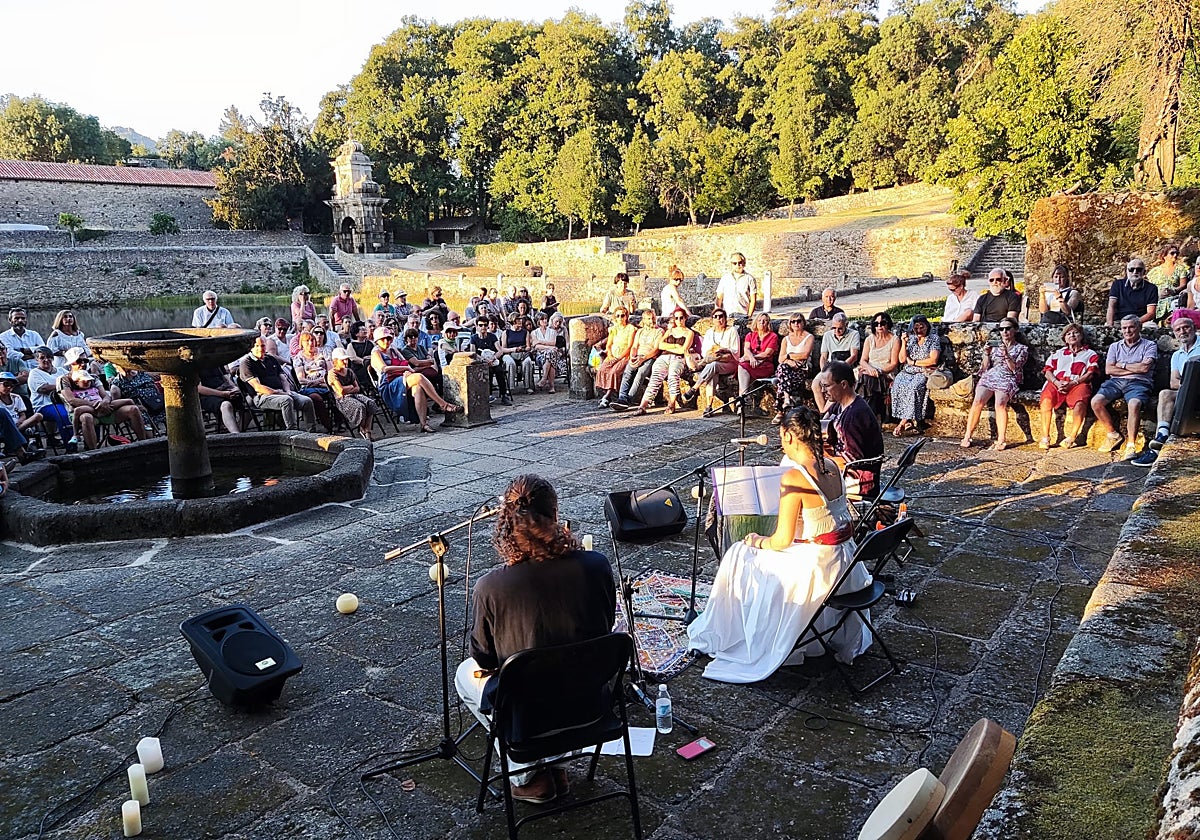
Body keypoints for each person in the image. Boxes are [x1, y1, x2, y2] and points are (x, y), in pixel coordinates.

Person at [455, 474, 616, 803]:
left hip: (530, 720)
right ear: (556, 516)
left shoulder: (491, 587)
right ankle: (556, 765)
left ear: (507, 523)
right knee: (550, 671)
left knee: (464, 675)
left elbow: (484, 660)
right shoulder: (597, 565)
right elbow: (605, 625)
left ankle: (528, 773)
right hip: (592, 707)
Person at [686, 406, 871, 683]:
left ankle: (738, 633)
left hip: (819, 569)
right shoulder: (831, 464)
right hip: (845, 559)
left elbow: (781, 540)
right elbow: (827, 518)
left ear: (787, 436)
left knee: (739, 553)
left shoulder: (794, 477)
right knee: (752, 554)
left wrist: (757, 540)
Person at [1133, 315, 1200, 466]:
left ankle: (1157, 447)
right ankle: (1161, 437)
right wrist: (1189, 385)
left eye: (1186, 327)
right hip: (1186, 393)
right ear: (1174, 334)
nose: (1182, 331)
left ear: (1194, 328)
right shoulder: (1177, 355)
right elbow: (1173, 382)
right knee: (1165, 394)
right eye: (1178, 329)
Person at [1091, 315, 1157, 459]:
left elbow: (1145, 368)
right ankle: (1113, 434)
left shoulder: (1149, 345)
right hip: (1115, 382)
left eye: (1131, 327)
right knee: (1096, 402)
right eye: (1124, 328)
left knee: (1134, 404)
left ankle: (1131, 446)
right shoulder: (1115, 346)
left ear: (1139, 328)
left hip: (1139, 382)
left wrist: (1122, 365)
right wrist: (1135, 367)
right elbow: (1109, 370)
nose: (1127, 331)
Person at [960, 318, 1030, 451]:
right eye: (1001, 329)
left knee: (1000, 404)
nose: (1004, 332)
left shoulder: (1022, 349)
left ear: (1015, 330)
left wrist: (1006, 355)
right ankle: (968, 435)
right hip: (992, 375)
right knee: (977, 401)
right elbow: (985, 367)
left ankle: (1001, 439)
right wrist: (986, 354)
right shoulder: (995, 345)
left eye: (1007, 328)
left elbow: (1014, 368)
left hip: (1008, 376)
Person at [819, 361, 884, 497]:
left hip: (859, 479)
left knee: (807, 481)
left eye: (827, 386)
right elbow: (824, 424)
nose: (823, 391)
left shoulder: (853, 417)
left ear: (843, 384)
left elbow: (853, 460)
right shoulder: (841, 405)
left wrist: (819, 460)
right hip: (847, 470)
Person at [1038, 323, 1099, 450]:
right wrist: (1056, 382)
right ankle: (1045, 436)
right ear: (1064, 338)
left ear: (1081, 336)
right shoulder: (1057, 353)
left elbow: (1090, 373)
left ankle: (1072, 437)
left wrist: (1073, 383)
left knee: (1080, 402)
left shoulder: (1090, 354)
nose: (1072, 335)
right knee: (1046, 400)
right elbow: (1048, 370)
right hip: (1057, 382)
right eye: (1068, 333)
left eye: (1075, 332)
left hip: (1078, 382)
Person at [58, 366, 147, 450]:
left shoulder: (93, 378)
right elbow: (72, 400)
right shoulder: (64, 379)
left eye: (84, 360)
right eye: (78, 361)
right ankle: (93, 450)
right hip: (86, 410)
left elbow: (105, 395)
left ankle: (144, 443)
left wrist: (104, 402)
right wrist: (95, 405)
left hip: (104, 407)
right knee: (86, 417)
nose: (82, 364)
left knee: (133, 409)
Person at [240, 336, 318, 432]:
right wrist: (281, 393)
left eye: (263, 346)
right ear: (251, 347)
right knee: (286, 400)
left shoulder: (271, 359)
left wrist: (288, 391)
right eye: (257, 346)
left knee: (307, 401)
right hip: (262, 396)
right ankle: (292, 432)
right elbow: (258, 387)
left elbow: (283, 379)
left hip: (282, 392)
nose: (260, 349)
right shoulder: (246, 363)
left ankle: (312, 432)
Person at [634, 308, 695, 414]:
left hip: (678, 358)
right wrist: (676, 345)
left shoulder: (689, 333)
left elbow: (683, 349)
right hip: (664, 357)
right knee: (655, 378)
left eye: (681, 318)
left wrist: (670, 347)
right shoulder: (670, 331)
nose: (679, 320)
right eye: (676, 318)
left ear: (685, 318)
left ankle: (671, 404)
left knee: (673, 375)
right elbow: (660, 345)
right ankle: (643, 405)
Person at [890, 315, 941, 437]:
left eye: (921, 327)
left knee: (914, 388)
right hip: (908, 370)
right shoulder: (911, 339)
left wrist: (914, 362)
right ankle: (908, 420)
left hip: (923, 371)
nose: (919, 330)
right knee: (897, 385)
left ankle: (903, 422)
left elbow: (933, 360)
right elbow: (902, 359)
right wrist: (904, 342)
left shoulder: (933, 339)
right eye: (916, 328)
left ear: (927, 326)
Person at [614, 303, 663, 407]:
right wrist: (632, 356)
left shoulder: (659, 331)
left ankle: (628, 399)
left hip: (649, 357)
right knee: (627, 372)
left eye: (653, 318)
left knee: (640, 374)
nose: (652, 321)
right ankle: (622, 397)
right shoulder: (640, 332)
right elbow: (635, 346)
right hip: (637, 355)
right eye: (649, 319)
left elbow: (656, 349)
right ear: (644, 320)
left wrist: (643, 358)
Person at [28, 346, 75, 450]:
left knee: (87, 409)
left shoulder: (61, 370)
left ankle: (92, 443)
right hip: (44, 405)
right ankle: (71, 447)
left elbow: (73, 383)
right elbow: (43, 388)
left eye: (49, 357)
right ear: (37, 359)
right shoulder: (34, 373)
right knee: (64, 414)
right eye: (42, 357)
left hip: (65, 402)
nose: (46, 360)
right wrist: (63, 386)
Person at [695, 309, 741, 412]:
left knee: (713, 365)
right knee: (712, 373)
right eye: (715, 317)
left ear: (725, 319)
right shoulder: (710, 332)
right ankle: (708, 406)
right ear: (712, 319)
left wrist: (724, 350)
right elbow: (704, 351)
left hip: (729, 363)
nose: (718, 319)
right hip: (714, 362)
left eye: (721, 316)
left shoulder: (732, 331)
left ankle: (695, 387)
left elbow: (735, 351)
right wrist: (713, 351)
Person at [857, 312, 900, 420]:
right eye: (876, 324)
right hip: (869, 369)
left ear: (888, 324)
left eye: (882, 323)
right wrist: (870, 369)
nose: (879, 326)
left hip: (885, 371)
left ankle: (867, 414)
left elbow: (894, 364)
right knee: (864, 377)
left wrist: (878, 371)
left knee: (865, 379)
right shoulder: (870, 339)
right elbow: (863, 360)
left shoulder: (895, 340)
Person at [328, 348, 377, 440]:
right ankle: (363, 429)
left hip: (354, 395)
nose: (345, 362)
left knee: (370, 403)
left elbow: (357, 388)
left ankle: (367, 430)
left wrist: (348, 388)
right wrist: (351, 387)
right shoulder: (332, 373)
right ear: (335, 361)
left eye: (346, 359)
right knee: (360, 407)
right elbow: (340, 391)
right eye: (343, 360)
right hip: (342, 400)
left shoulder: (349, 371)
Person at [292, 332, 335, 432]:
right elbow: (300, 379)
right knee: (315, 397)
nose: (310, 343)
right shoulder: (298, 358)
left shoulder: (323, 353)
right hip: (309, 385)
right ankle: (328, 425)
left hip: (325, 382)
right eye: (307, 341)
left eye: (312, 340)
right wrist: (315, 382)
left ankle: (339, 421)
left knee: (336, 391)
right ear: (301, 343)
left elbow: (331, 371)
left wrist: (321, 381)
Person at [594, 307, 637, 408]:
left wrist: (619, 357)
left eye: (622, 315)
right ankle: (607, 395)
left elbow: (629, 346)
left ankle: (607, 396)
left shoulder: (630, 328)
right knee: (602, 369)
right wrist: (610, 355)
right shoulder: (614, 329)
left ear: (626, 317)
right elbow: (609, 345)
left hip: (624, 356)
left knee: (614, 372)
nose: (620, 318)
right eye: (618, 316)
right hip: (612, 355)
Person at [736, 312, 779, 403]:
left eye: (764, 321)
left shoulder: (773, 336)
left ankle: (743, 397)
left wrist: (751, 358)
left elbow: (767, 353)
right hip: (751, 363)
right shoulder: (750, 335)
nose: (762, 323)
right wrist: (751, 358)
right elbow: (746, 349)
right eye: (759, 320)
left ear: (768, 323)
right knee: (742, 366)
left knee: (743, 367)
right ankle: (744, 397)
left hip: (765, 365)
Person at [470, 317, 513, 406]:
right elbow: (473, 352)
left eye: (485, 325)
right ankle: (487, 396)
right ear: (477, 326)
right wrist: (483, 360)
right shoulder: (474, 338)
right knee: (487, 371)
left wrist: (493, 358)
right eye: (481, 325)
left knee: (499, 371)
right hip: (481, 363)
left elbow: (500, 350)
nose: (483, 327)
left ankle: (504, 395)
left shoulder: (492, 336)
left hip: (493, 361)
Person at [1107, 259, 1159, 326]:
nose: (1135, 272)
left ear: (1144, 272)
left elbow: (1151, 313)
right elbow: (1111, 306)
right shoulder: (1117, 285)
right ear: (1127, 271)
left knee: (1151, 326)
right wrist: (1109, 324)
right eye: (1131, 269)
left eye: (1139, 269)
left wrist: (1134, 323)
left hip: (1140, 321)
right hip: (1119, 321)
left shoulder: (1151, 288)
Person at [197, 365, 242, 435]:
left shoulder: (217, 361)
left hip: (225, 390)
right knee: (226, 405)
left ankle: (240, 429)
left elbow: (226, 378)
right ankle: (236, 434)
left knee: (248, 400)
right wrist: (222, 393)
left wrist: (234, 387)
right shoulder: (197, 365)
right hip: (207, 396)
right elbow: (199, 388)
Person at [500, 312, 535, 395]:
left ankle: (528, 386)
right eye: (518, 319)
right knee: (510, 363)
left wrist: (522, 349)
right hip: (509, 353)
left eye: (520, 319)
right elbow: (503, 349)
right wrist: (514, 349)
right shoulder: (506, 333)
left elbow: (528, 347)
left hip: (522, 353)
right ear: (513, 321)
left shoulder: (525, 332)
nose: (521, 321)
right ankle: (510, 387)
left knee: (528, 362)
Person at [714, 252, 756, 318]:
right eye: (734, 263)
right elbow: (719, 298)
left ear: (744, 263)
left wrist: (749, 316)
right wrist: (717, 315)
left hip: (743, 315)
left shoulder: (750, 279)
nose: (737, 265)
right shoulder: (725, 278)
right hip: (727, 315)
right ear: (731, 264)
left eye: (740, 262)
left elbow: (753, 300)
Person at [531, 313, 564, 393]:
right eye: (542, 319)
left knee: (550, 355)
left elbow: (553, 343)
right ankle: (551, 386)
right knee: (551, 355)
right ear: (538, 321)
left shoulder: (552, 332)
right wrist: (548, 347)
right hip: (540, 355)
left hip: (552, 354)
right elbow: (536, 347)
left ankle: (544, 378)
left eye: (546, 319)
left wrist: (540, 342)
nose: (545, 321)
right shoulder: (534, 333)